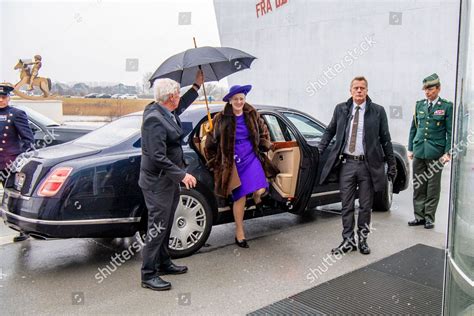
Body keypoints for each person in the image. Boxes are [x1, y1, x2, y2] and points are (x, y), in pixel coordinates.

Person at [138, 71, 203, 291]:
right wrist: (182, 175)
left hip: (167, 182)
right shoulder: (154, 119)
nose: (179, 96)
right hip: (157, 183)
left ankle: (164, 263)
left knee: (166, 223)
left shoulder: (165, 111)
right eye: (177, 93)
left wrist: (196, 86)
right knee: (157, 226)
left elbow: (182, 106)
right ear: (170, 97)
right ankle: (148, 274)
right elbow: (157, 156)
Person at [318, 77, 397, 255]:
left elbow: (386, 139)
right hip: (347, 164)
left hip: (367, 166)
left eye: (362, 88)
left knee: (365, 206)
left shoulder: (377, 111)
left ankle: (362, 240)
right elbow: (330, 130)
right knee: (346, 205)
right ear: (350, 90)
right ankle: (347, 240)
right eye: (356, 88)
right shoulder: (341, 109)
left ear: (367, 90)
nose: (359, 91)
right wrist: (320, 149)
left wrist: (392, 165)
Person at [204, 85, 279, 248]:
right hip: (232, 162)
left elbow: (264, 132)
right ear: (230, 100)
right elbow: (210, 144)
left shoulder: (252, 114)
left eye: (241, 99)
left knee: (260, 188)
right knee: (240, 197)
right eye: (236, 99)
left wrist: (266, 144)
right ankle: (239, 233)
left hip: (251, 156)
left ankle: (258, 197)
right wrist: (214, 163)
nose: (239, 102)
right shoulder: (220, 119)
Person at [407, 73, 453, 229]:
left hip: (436, 153)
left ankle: (429, 217)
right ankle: (419, 216)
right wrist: (410, 148)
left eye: (430, 89)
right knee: (419, 185)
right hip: (419, 150)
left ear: (438, 88)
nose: (427, 92)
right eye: (425, 89)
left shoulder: (446, 106)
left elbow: (450, 132)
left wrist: (448, 153)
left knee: (432, 187)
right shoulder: (419, 105)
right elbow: (413, 128)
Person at [0, 84, 35, 242]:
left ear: (8, 98)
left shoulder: (16, 114)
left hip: (9, 161)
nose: (1, 100)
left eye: (4, 97)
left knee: (15, 196)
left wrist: (22, 159)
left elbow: (28, 139)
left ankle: (23, 230)